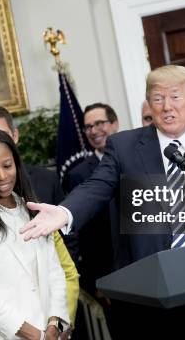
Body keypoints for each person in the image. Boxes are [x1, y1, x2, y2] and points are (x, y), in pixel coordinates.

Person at [20, 65, 185, 339]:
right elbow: (98, 186)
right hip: (146, 294)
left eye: (175, 97)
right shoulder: (125, 147)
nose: (167, 107)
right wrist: (65, 211)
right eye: (157, 98)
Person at [0, 106, 79, 325]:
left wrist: (54, 323)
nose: (1, 176)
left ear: (16, 163)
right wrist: (32, 333)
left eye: (7, 166)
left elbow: (55, 272)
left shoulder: (32, 208)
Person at [63, 103, 118, 299]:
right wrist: (95, 280)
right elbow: (79, 234)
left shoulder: (134, 162)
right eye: (88, 127)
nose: (93, 131)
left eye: (99, 123)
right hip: (107, 277)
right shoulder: (77, 175)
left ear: (114, 124)